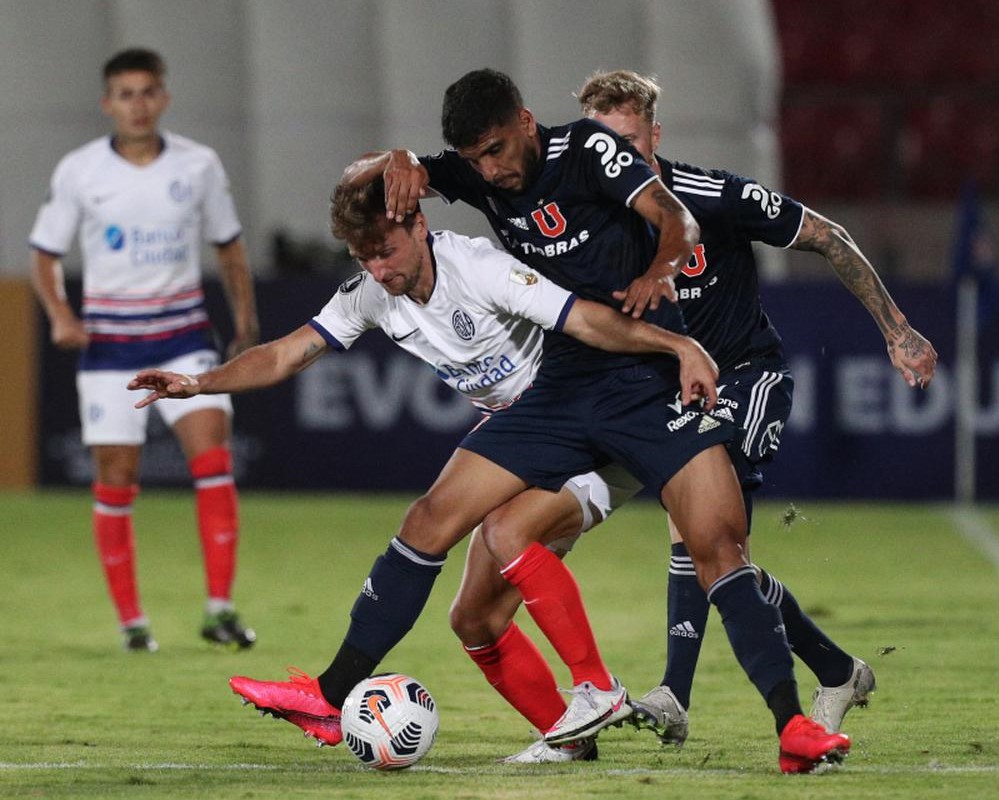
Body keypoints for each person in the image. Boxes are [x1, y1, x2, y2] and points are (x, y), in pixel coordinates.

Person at [231, 68, 855, 773]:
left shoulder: (588, 151)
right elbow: (366, 185)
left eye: (497, 151)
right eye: (474, 161)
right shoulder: (477, 175)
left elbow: (675, 218)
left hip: (647, 382)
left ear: (526, 124)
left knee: (718, 552)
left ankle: (792, 727)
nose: (490, 172)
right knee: (432, 518)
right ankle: (330, 693)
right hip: (564, 384)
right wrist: (396, 159)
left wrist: (662, 276)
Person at [437, 69, 937, 762]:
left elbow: (826, 235)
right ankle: (834, 670)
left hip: (741, 377)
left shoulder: (706, 196)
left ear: (655, 136)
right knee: (705, 555)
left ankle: (677, 693)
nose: (619, 157)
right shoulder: (575, 204)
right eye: (604, 144)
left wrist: (896, 328)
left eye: (632, 143)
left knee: (704, 535)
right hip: (648, 392)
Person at [129, 177, 714, 751]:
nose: (378, 270)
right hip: (521, 434)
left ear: (419, 224)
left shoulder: (478, 268)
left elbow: (584, 319)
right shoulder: (371, 293)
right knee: (473, 620)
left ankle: (589, 687)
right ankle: (567, 741)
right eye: (364, 257)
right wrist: (198, 383)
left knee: (472, 524)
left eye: (385, 251)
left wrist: (676, 345)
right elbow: (287, 353)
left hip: (587, 422)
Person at [29, 47, 260, 652]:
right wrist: (58, 315)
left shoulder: (199, 165)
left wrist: (245, 319)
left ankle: (219, 608)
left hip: (184, 338)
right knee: (117, 477)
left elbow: (229, 247)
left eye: (147, 92)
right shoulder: (80, 170)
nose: (138, 104)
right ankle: (132, 622)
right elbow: (44, 255)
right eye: (125, 94)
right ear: (108, 103)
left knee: (212, 457)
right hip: (108, 345)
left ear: (164, 97)